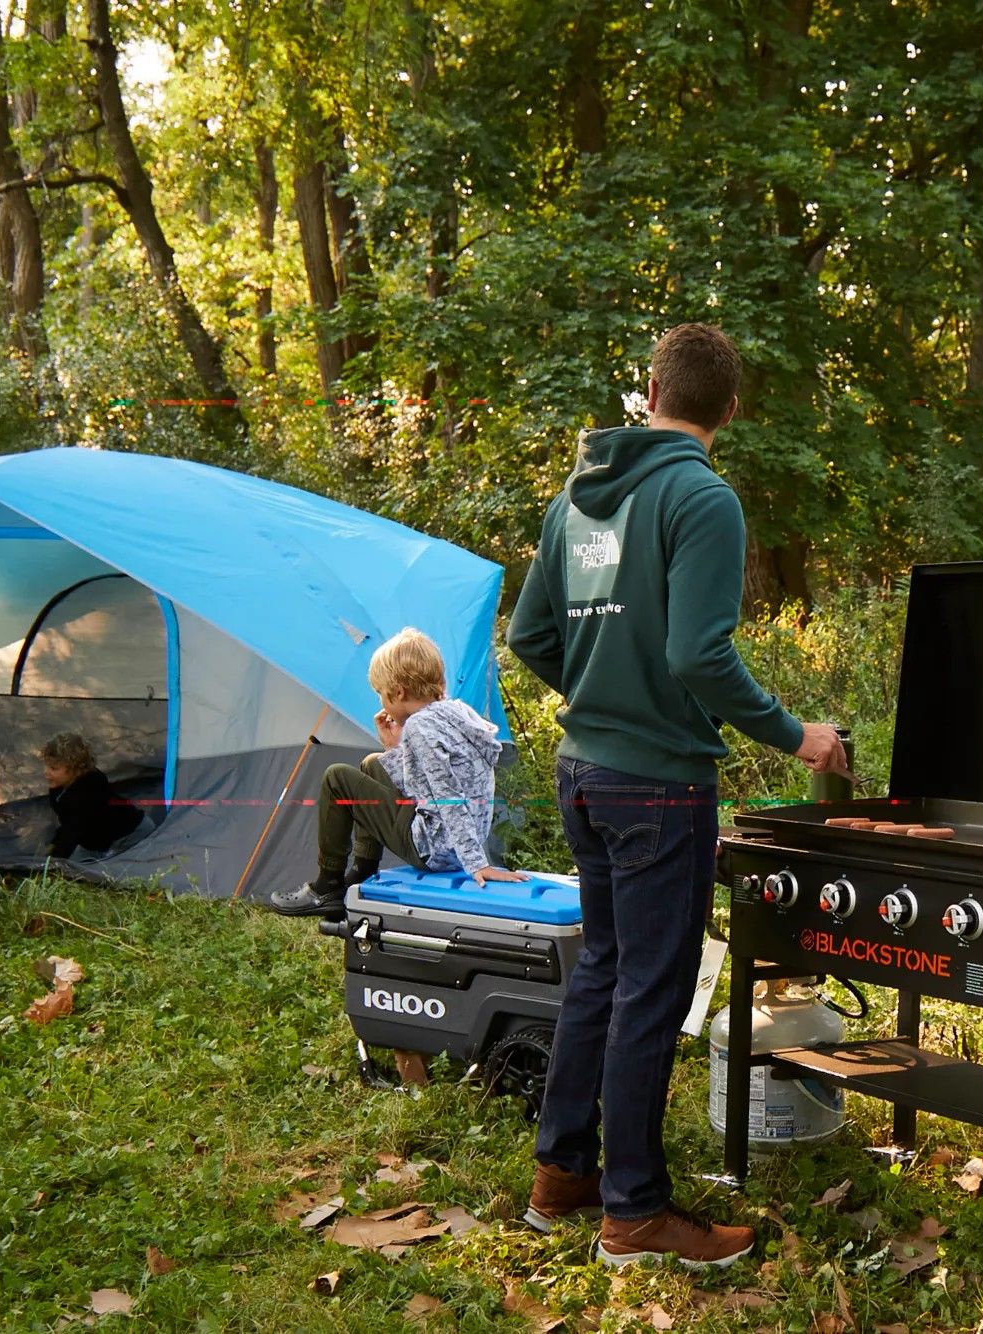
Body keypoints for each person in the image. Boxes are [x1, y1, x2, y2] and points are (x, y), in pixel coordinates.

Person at [507, 323, 850, 1269]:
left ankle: (561, 1177)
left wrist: (597, 696)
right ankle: (634, 1212)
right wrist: (798, 735)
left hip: (582, 773)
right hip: (657, 787)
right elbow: (699, 654)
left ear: (650, 388)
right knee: (650, 992)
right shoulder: (702, 498)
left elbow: (532, 638)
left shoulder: (575, 503)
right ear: (729, 410)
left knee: (605, 976)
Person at [268, 627, 527, 918]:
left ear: (399, 691)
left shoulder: (419, 727)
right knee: (372, 765)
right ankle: (362, 873)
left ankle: (326, 886)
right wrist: (395, 749)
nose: (382, 702)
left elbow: (448, 798)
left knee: (337, 777)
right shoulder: (456, 712)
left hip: (436, 848)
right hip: (452, 841)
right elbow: (425, 788)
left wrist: (478, 863)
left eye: (382, 694)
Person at [39, 732, 144, 859]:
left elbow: (72, 831)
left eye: (53, 769)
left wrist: (51, 862)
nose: (46, 772)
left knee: (108, 872)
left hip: (129, 835)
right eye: (46, 766)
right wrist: (54, 844)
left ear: (75, 769)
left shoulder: (87, 794)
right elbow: (67, 822)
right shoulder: (59, 787)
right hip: (93, 841)